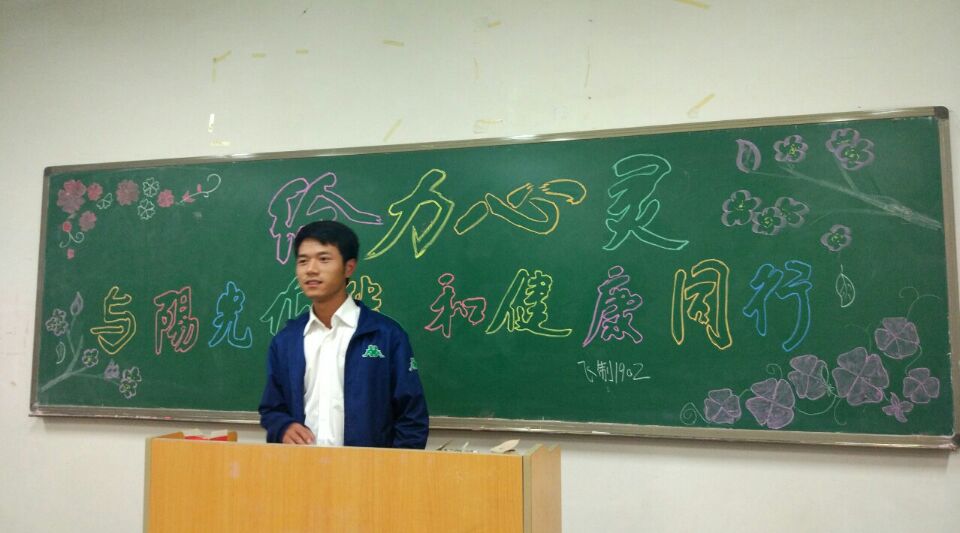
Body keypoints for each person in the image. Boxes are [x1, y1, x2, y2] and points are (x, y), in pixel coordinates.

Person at [259, 220, 429, 448]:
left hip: (368, 468)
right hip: (302, 466)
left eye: (324, 259)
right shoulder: (286, 341)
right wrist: (283, 426)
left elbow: (412, 418)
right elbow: (272, 408)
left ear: (349, 268)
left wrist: (392, 468)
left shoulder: (386, 336)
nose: (311, 269)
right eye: (303, 261)